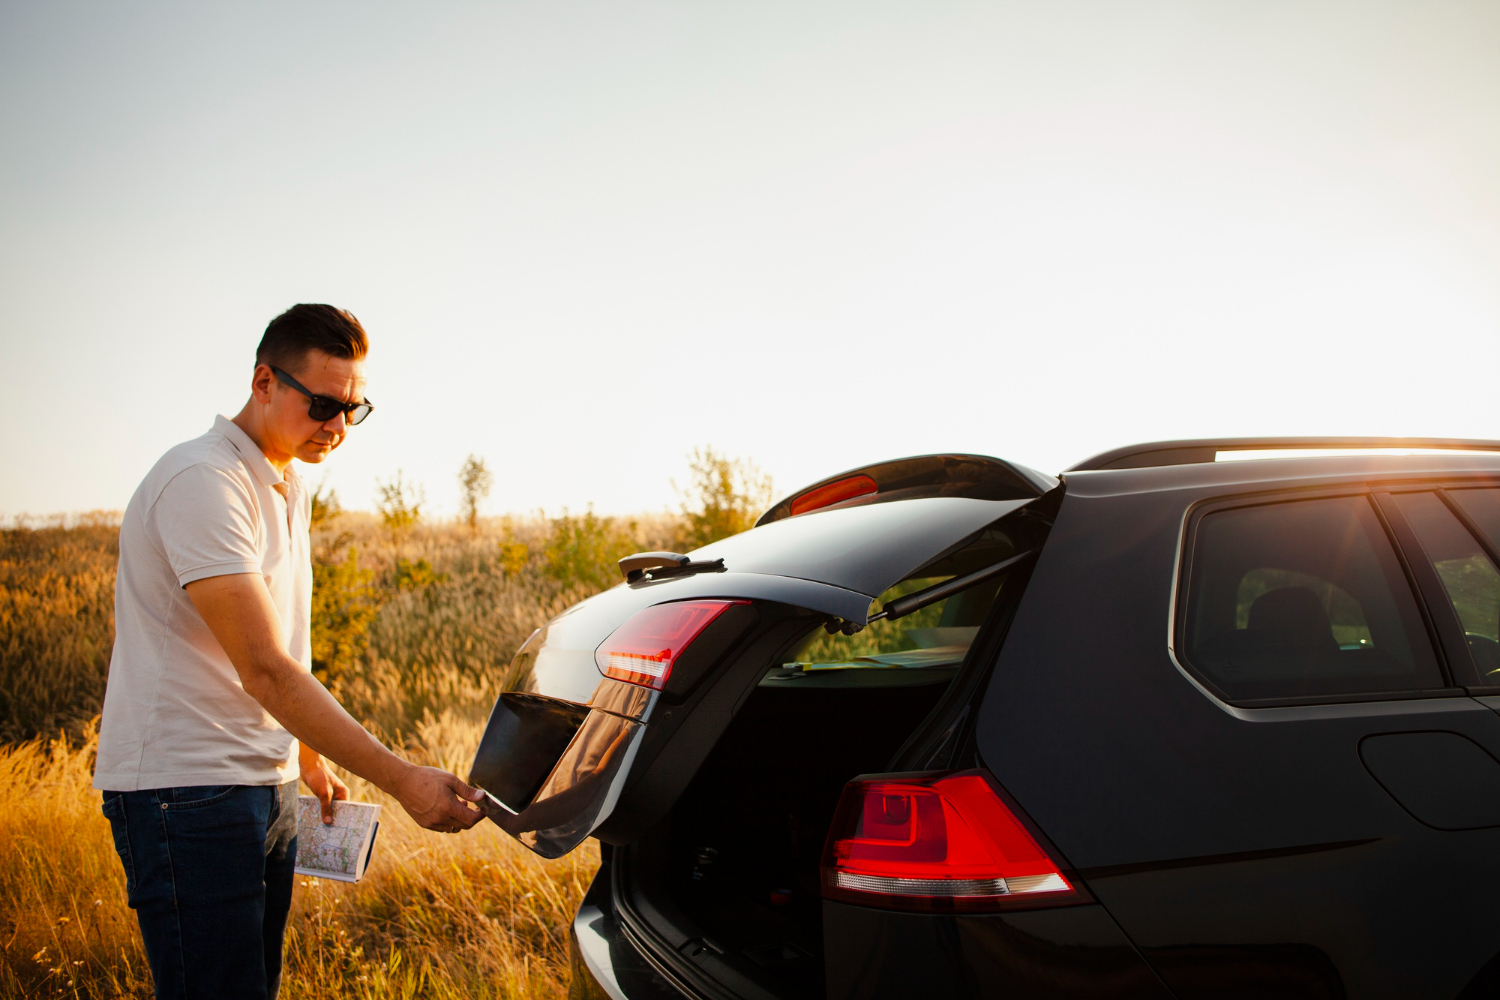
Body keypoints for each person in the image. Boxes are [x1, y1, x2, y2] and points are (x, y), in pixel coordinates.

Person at [93, 304, 484, 1000]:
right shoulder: (201, 481)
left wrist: (303, 754)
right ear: (264, 382)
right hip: (187, 792)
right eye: (323, 405)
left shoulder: (286, 484)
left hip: (262, 782)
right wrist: (401, 779)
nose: (338, 427)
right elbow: (265, 667)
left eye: (352, 409)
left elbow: (278, 649)